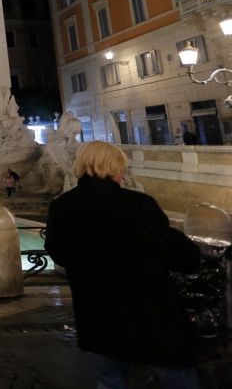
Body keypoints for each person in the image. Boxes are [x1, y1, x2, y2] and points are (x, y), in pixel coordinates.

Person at [45, 141, 201, 387]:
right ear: (114, 168)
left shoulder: (61, 206)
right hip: (149, 314)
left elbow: (58, 254)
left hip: (97, 314)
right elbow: (181, 255)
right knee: (177, 379)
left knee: (110, 380)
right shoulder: (138, 204)